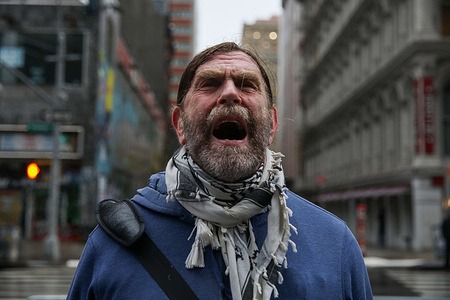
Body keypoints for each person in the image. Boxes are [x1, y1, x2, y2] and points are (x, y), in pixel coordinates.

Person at [68, 42, 373, 299]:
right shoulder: (111, 246)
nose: (230, 93)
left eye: (247, 84)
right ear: (180, 125)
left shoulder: (334, 244)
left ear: (271, 126)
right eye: (210, 84)